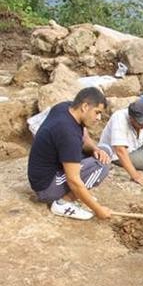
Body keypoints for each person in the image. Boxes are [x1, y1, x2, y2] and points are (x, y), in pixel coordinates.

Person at [27, 87, 112, 220]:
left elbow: (83, 133)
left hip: (46, 170)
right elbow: (73, 180)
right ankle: (63, 202)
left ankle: (77, 195)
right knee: (102, 165)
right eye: (97, 112)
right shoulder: (68, 133)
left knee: (104, 151)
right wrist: (98, 209)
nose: (99, 118)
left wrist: (95, 149)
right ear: (85, 106)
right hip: (46, 186)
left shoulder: (66, 107)